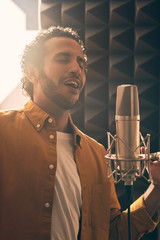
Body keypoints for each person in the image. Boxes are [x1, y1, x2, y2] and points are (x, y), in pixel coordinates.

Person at [0, 26, 159, 240]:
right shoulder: (3, 131)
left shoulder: (96, 153)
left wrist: (156, 188)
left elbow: (112, 233)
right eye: (63, 59)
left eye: (81, 63)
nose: (76, 69)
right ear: (32, 72)